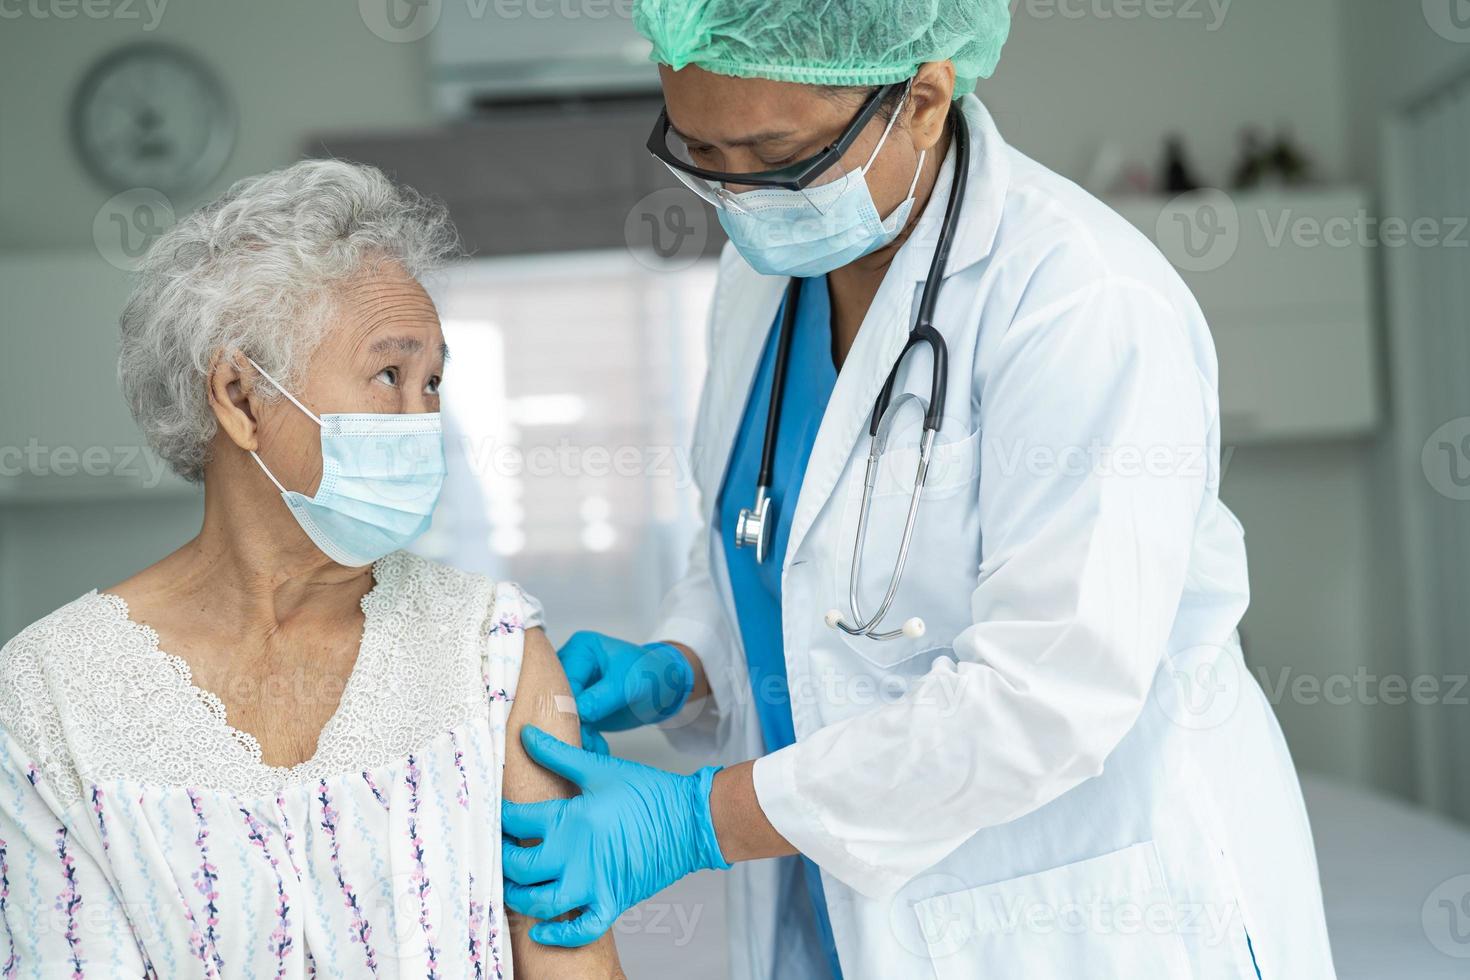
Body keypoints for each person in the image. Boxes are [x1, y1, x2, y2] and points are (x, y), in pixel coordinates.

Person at [499, 2, 1339, 978]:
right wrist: (684, 660)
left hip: (1068, 918)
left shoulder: (1081, 301)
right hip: (833, 908)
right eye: (700, 154)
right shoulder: (760, 280)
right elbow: (759, 537)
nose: (738, 197)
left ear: (926, 99)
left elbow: (1047, 696)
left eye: (776, 157)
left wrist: (698, 818)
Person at [0, 160, 623, 978]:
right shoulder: (47, 698)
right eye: (389, 375)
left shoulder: (490, 649)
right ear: (240, 396)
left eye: (434, 382)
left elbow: (572, 966)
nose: (421, 419)